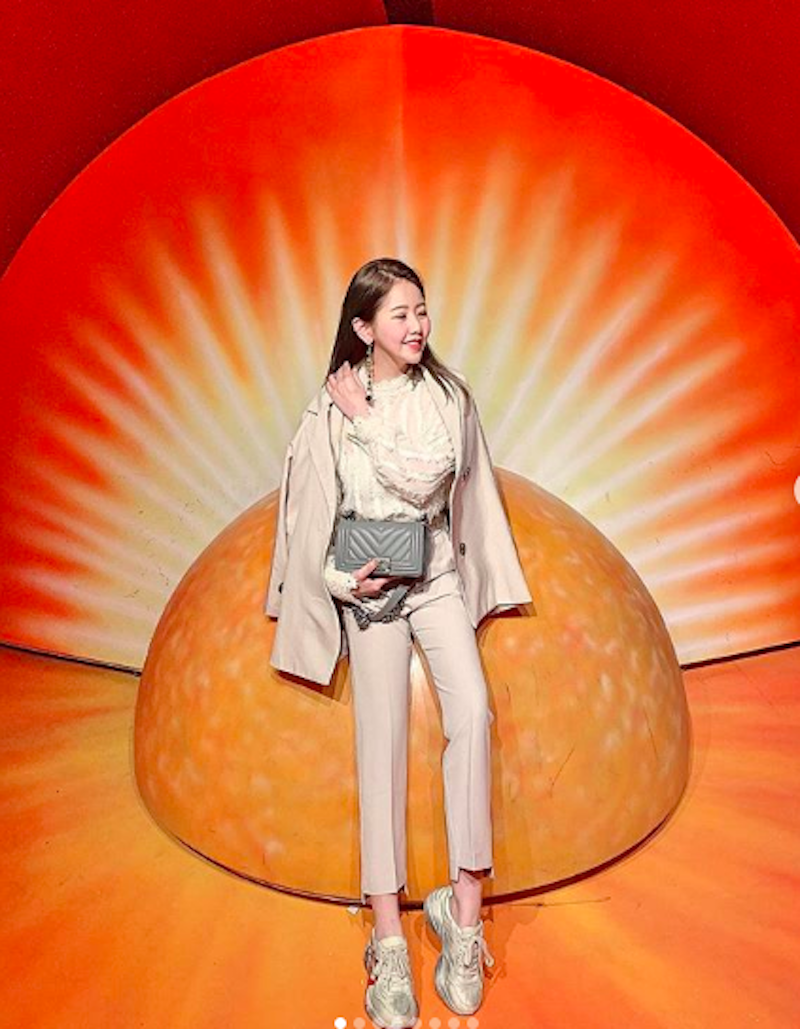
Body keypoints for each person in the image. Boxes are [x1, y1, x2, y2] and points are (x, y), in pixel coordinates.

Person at [265, 258, 531, 1029]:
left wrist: (368, 421)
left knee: (472, 712)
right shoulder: (328, 408)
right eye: (400, 314)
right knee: (378, 745)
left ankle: (463, 913)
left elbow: (426, 480)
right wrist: (340, 581)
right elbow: (308, 514)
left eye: (421, 310)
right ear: (363, 327)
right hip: (367, 589)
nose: (417, 326)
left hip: (436, 575)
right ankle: (387, 938)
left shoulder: (444, 397)